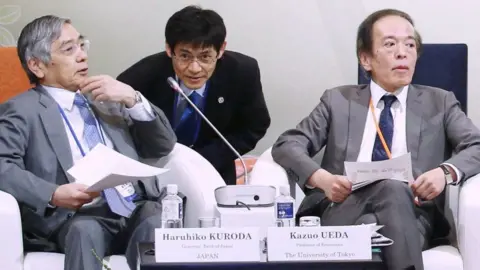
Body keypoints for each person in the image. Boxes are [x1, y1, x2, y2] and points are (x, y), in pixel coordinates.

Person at [271, 8, 480, 270]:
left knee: (384, 206)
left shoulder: (440, 102)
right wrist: (323, 180)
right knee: (388, 198)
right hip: (343, 207)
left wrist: (444, 173)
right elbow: (287, 144)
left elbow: (477, 145)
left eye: (410, 45)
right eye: (390, 44)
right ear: (366, 59)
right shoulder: (338, 100)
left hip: (414, 213)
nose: (402, 52)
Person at [0, 15, 177, 270]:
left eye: (82, 45)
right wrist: (52, 194)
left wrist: (133, 99)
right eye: (69, 49)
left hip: (135, 206)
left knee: (158, 221)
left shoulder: (106, 96)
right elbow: (3, 165)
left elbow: (162, 146)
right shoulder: (21, 110)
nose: (82, 55)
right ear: (37, 66)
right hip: (78, 215)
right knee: (85, 231)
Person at [117, 5, 271, 185]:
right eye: (184, 56)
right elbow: (121, 132)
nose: (194, 68)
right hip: (154, 174)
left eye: (205, 57)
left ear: (221, 50)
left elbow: (254, 126)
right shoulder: (141, 77)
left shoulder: (242, 72)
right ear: (169, 49)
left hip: (213, 169)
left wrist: (202, 160)